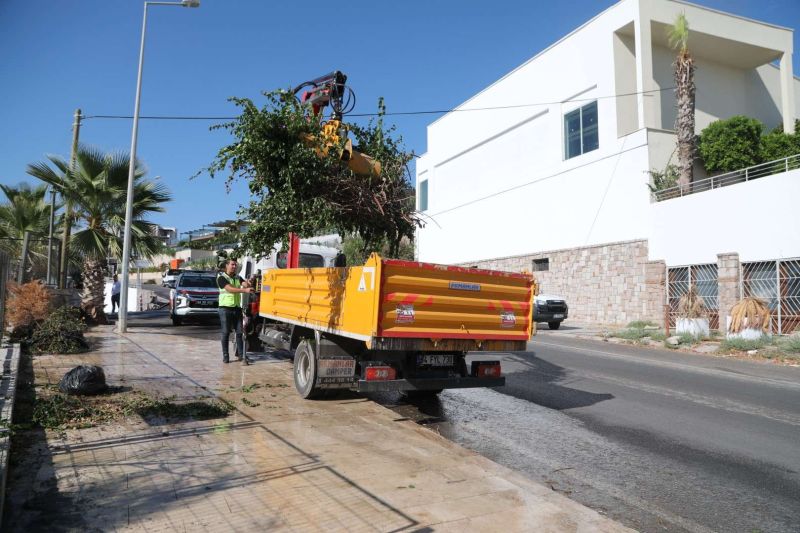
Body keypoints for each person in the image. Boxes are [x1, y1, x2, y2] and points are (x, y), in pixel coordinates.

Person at [217, 259, 254, 364]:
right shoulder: (222, 278)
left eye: (235, 265)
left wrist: (249, 282)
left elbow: (245, 284)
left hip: (237, 308)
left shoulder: (237, 277)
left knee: (239, 333)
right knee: (225, 333)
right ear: (227, 265)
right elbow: (229, 289)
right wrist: (244, 290)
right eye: (232, 265)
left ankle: (242, 356)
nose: (234, 266)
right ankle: (226, 356)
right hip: (225, 308)